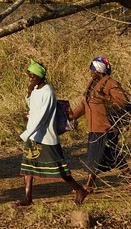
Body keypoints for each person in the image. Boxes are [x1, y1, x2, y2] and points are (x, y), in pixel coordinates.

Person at [17, 59, 89, 207]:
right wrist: (29, 93)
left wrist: (26, 133)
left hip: (45, 137)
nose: (30, 79)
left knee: (60, 170)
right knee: (28, 169)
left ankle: (80, 190)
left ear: (40, 76)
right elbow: (34, 108)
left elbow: (42, 117)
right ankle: (28, 198)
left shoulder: (48, 91)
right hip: (34, 135)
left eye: (33, 76)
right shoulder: (36, 90)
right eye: (29, 76)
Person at [69, 56, 131, 191]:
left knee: (94, 156)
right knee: (115, 155)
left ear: (99, 70)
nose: (91, 73)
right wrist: (72, 116)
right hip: (95, 127)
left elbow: (122, 102)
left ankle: (88, 186)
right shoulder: (93, 83)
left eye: (93, 70)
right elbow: (85, 103)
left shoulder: (110, 83)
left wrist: (105, 97)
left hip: (105, 127)